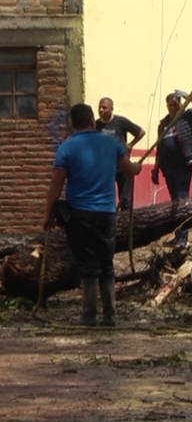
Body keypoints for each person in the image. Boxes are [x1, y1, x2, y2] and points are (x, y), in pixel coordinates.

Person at [43, 104, 142, 326]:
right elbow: (130, 170)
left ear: (72, 123)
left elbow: (56, 184)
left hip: (78, 215)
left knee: (87, 265)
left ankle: (89, 315)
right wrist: (139, 168)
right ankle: (110, 316)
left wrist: (47, 215)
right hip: (106, 214)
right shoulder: (112, 143)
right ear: (91, 120)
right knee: (106, 263)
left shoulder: (66, 148)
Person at [152, 90, 192, 247]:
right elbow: (160, 147)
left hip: (183, 166)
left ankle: (184, 238)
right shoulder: (163, 124)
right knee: (175, 202)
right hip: (168, 168)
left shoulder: (188, 117)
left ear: (180, 104)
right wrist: (156, 169)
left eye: (175, 103)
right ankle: (179, 235)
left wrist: (186, 95)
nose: (172, 107)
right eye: (170, 104)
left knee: (181, 200)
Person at [96, 97, 145, 211]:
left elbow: (141, 132)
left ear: (112, 109)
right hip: (105, 169)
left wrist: (131, 144)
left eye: (104, 108)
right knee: (107, 200)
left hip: (123, 167)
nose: (101, 110)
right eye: (99, 107)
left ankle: (126, 226)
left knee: (126, 201)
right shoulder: (96, 125)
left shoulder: (121, 122)